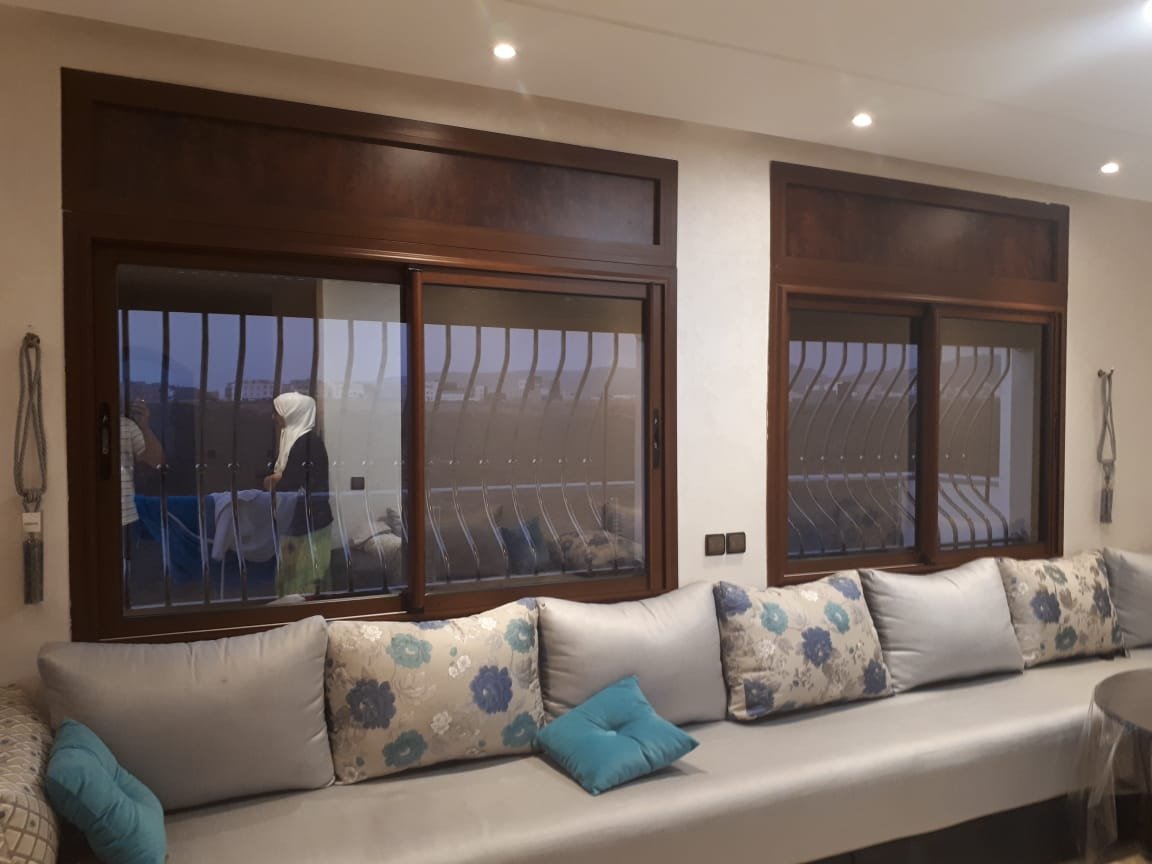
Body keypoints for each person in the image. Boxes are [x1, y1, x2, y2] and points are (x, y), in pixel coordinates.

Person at [264, 393, 333, 597]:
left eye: (277, 412)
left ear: (292, 412)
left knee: (306, 578)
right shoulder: (294, 439)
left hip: (309, 523)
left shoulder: (307, 443)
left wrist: (274, 480)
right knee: (293, 576)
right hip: (299, 521)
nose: (274, 417)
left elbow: (290, 483)